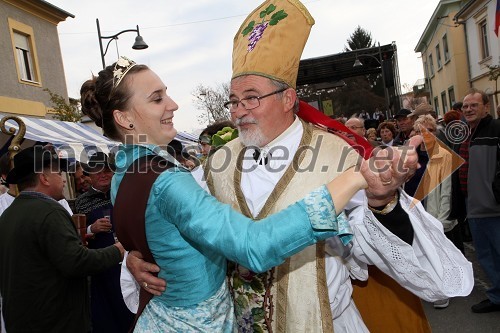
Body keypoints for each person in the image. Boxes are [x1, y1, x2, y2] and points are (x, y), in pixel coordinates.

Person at [125, 1, 473, 332]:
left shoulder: (336, 156)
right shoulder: (215, 164)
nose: (238, 110)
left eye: (251, 98)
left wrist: (381, 202)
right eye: (233, 101)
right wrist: (134, 261)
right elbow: (168, 225)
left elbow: (397, 257)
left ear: (288, 98)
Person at [78, 54, 405, 331]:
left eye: (251, 98)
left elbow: (150, 229)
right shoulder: (168, 180)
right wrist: (352, 180)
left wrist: (142, 256)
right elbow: (254, 245)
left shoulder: (125, 170)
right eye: (157, 98)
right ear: (124, 118)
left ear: (288, 98)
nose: (174, 104)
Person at [0, 145, 124, 332]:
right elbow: (77, 262)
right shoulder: (48, 211)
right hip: (53, 320)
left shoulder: (10, 214)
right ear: (44, 178)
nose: (64, 181)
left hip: (23, 319)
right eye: (58, 173)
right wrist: (118, 250)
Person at [74, 152, 134, 332]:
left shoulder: (124, 193)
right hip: (100, 268)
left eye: (107, 170)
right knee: (106, 316)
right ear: (89, 176)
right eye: (97, 171)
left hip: (129, 263)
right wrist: (92, 228)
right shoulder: (81, 202)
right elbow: (75, 236)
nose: (103, 175)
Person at [411, 115, 464, 308]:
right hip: (414, 212)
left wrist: (441, 221)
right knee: (422, 253)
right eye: (420, 130)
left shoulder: (443, 156)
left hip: (434, 213)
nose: (425, 134)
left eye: (430, 130)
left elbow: (447, 192)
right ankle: (431, 286)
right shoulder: (410, 155)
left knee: (438, 252)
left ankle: (443, 290)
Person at [459, 88, 500, 313]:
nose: (468, 109)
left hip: (493, 207)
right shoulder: (465, 133)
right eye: (465, 106)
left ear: (486, 106)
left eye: (474, 105)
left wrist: (496, 192)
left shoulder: (496, 129)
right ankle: (496, 297)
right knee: (486, 256)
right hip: (473, 206)